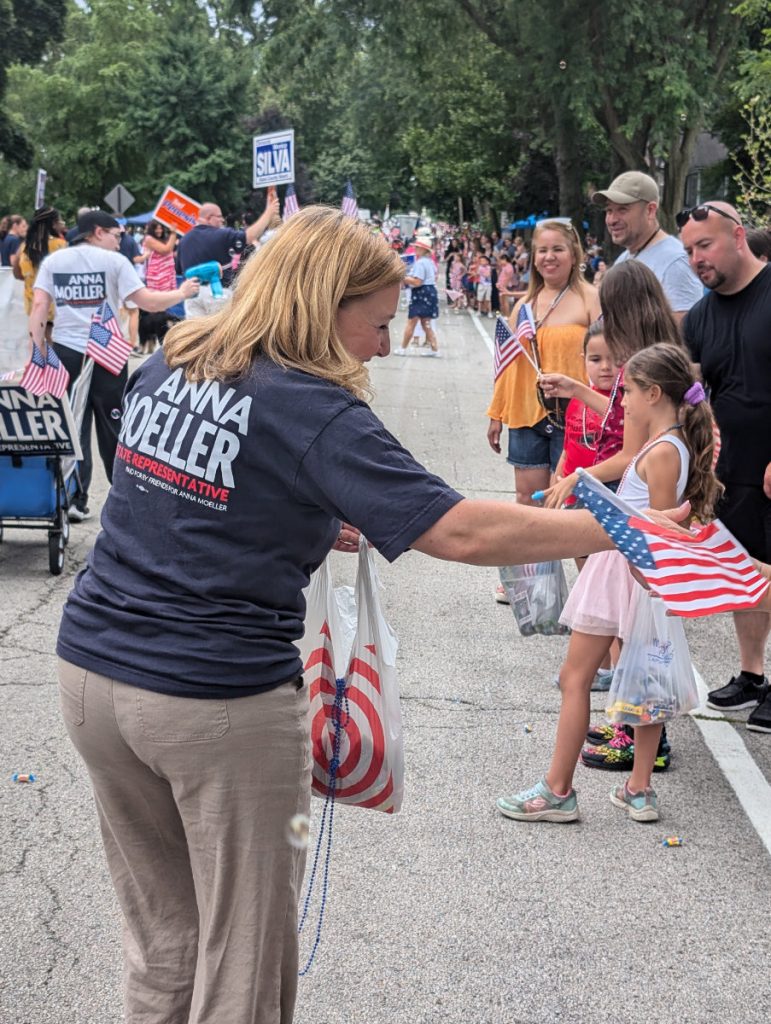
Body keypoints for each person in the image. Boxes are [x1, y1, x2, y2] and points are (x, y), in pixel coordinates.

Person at [55, 205, 661, 1024]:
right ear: (320, 302)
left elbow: (187, 495)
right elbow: (459, 528)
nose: (383, 343)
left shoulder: (178, 358)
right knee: (243, 960)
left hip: (91, 674)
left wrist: (305, 511)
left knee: (164, 938)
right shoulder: (310, 405)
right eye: (374, 323)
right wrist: (622, 527)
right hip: (211, 697)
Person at [497, 342, 722, 824]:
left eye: (629, 393)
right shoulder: (667, 442)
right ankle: (638, 790)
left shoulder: (663, 453)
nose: (621, 402)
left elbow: (658, 528)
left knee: (575, 679)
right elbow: (631, 474)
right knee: (646, 681)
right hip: (638, 579)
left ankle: (558, 790)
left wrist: (602, 507)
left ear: (654, 394)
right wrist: (582, 478)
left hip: (629, 576)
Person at [29, 209, 200, 520]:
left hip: (67, 352)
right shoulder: (114, 262)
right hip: (107, 353)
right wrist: (181, 292)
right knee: (115, 426)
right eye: (116, 235)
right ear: (97, 232)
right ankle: (122, 499)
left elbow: (40, 306)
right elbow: (146, 302)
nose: (120, 242)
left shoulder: (54, 262)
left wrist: (37, 351)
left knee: (73, 426)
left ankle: (74, 500)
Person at [680, 201, 771, 733]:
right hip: (731, 469)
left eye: (705, 246)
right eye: (690, 251)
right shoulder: (702, 316)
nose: (696, 259)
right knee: (746, 573)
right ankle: (751, 674)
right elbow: (693, 393)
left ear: (738, 237)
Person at [486, 218, 600, 518]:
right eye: (542, 250)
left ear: (574, 254)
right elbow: (509, 365)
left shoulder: (591, 299)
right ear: (534, 258)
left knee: (568, 502)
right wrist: (496, 414)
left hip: (574, 416)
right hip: (526, 414)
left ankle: (584, 566)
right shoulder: (525, 304)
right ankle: (539, 567)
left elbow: (608, 359)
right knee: (528, 500)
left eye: (558, 249)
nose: (549, 257)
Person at [592, 171, 702, 323]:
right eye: (609, 210)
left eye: (622, 209)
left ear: (650, 210)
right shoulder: (624, 259)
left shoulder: (675, 261)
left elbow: (684, 334)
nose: (612, 220)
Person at [176, 195, 279, 317]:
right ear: (209, 218)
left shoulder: (184, 240)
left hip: (192, 297)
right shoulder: (220, 234)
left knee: (195, 335)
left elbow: (178, 270)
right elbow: (249, 237)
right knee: (220, 334)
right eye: (219, 217)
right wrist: (269, 212)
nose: (222, 220)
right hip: (217, 294)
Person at [13, 207, 67, 341]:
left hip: (33, 304)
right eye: (60, 221)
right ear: (53, 223)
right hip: (56, 304)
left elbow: (17, 274)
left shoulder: (24, 247)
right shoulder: (61, 246)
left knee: (37, 342)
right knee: (54, 342)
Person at [140, 219, 179, 355]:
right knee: (157, 310)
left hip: (166, 275)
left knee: (163, 309)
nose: (159, 230)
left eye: (161, 228)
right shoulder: (149, 239)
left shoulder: (164, 238)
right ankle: (155, 340)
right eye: (156, 228)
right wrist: (173, 233)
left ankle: (159, 341)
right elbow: (166, 249)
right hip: (157, 276)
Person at [397, 236, 440, 354]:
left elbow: (417, 282)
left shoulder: (420, 263)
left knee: (412, 321)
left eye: (417, 247)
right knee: (426, 323)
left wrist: (402, 277)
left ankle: (402, 348)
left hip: (421, 293)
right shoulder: (430, 262)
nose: (415, 249)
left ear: (423, 249)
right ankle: (434, 349)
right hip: (429, 292)